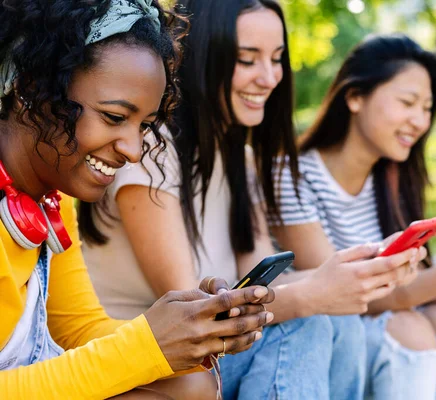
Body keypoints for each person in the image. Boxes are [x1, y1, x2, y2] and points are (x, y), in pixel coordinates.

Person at [80, 1, 422, 399]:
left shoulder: (239, 161)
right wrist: (314, 295)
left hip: (210, 354)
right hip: (147, 357)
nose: (269, 77)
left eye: (277, 59)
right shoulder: (147, 150)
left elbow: (260, 275)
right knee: (309, 322)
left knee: (334, 320)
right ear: (204, 55)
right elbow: (190, 308)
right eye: (247, 59)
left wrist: (359, 271)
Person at [0, 1, 274, 399]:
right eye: (114, 117)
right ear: (31, 89)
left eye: (144, 125)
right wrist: (147, 344)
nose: (133, 150)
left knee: (190, 383)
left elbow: (78, 329)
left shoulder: (52, 202)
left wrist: (188, 328)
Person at [270, 34, 436, 400]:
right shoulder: (292, 176)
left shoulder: (392, 181)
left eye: (427, 108)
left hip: (376, 335)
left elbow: (416, 289)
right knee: (410, 329)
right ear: (354, 98)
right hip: (325, 344)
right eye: (408, 102)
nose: (420, 121)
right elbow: (342, 296)